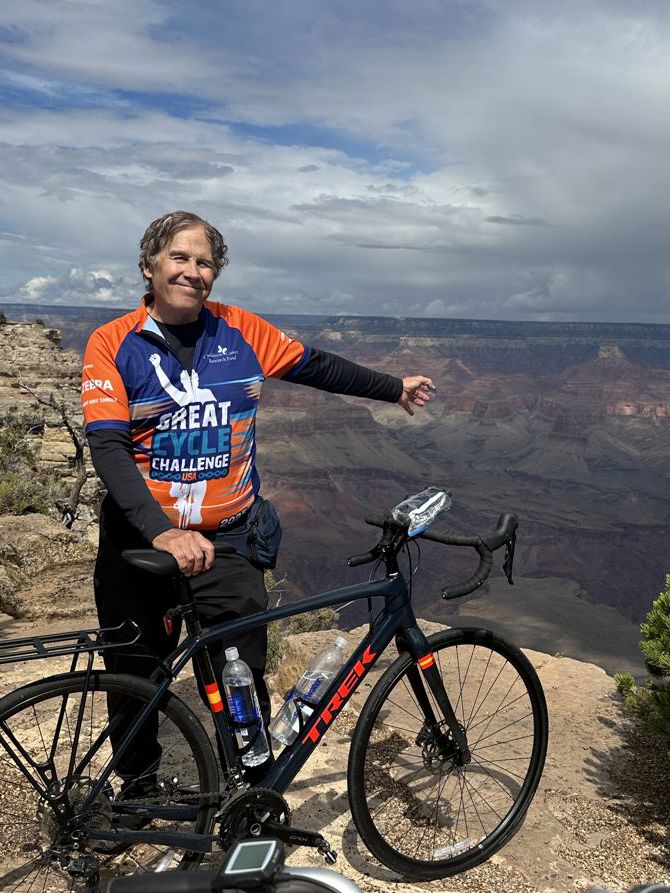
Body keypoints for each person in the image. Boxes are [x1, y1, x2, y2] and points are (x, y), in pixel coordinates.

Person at [81, 210, 434, 789]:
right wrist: (161, 531)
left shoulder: (240, 329)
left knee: (241, 670)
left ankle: (249, 788)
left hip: (228, 541)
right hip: (141, 539)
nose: (192, 271)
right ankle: (137, 789)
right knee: (134, 671)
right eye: (179, 258)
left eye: (205, 262)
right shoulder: (111, 343)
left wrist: (392, 387)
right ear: (148, 267)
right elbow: (110, 448)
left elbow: (315, 365)